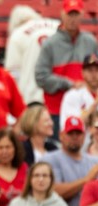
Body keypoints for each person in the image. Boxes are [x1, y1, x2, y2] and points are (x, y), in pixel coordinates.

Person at [35, 0, 97, 133]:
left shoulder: (90, 41)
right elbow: (40, 77)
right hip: (56, 111)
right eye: (70, 14)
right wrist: (69, 84)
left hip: (87, 109)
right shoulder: (50, 44)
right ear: (62, 14)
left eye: (76, 14)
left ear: (82, 15)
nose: (73, 19)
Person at [42, 115, 98, 206]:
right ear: (61, 135)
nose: (74, 137)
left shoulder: (94, 162)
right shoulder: (50, 159)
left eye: (78, 133)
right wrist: (86, 180)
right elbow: (53, 191)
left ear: (84, 136)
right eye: (70, 133)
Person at [4, 6, 59, 106]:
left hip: (31, 99)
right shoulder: (58, 26)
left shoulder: (17, 34)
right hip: (62, 96)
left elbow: (13, 74)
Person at [60, 53, 98, 130]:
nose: (94, 74)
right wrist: (94, 104)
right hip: (82, 141)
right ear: (83, 73)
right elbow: (73, 125)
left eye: (97, 70)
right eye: (90, 70)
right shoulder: (72, 95)